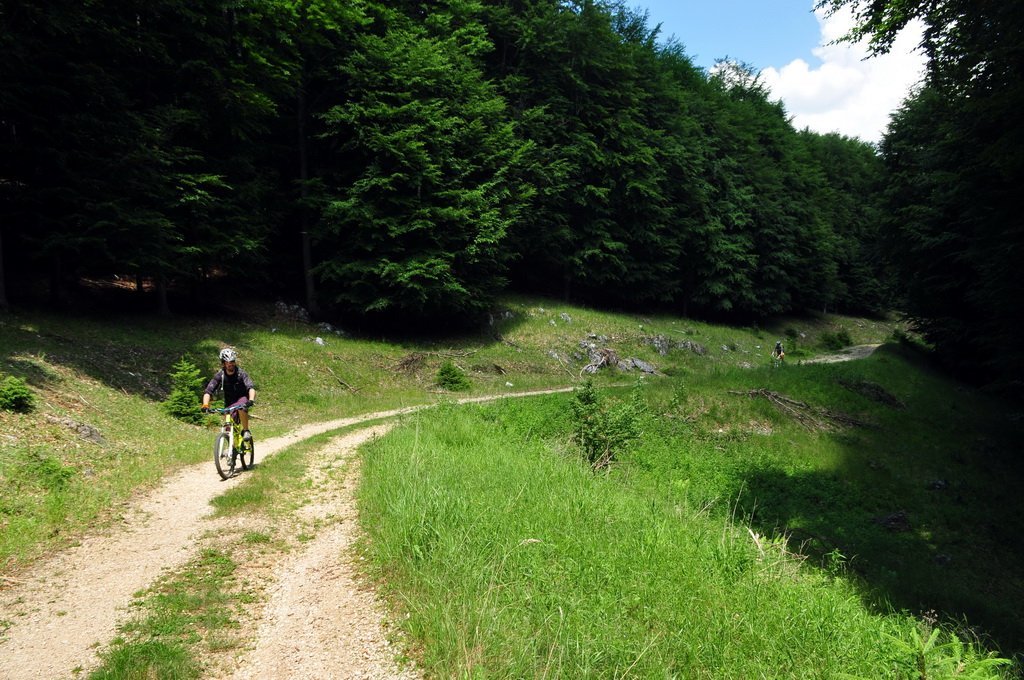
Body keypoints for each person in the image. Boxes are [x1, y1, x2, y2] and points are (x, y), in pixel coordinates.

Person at [201, 347, 257, 440]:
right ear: (223, 363)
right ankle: (232, 449)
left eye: (232, 362)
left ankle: (246, 430)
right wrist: (205, 405)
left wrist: (251, 400)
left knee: (242, 407)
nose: (230, 364)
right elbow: (208, 391)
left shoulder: (241, 373)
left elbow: (250, 387)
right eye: (227, 363)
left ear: (234, 362)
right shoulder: (220, 375)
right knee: (228, 429)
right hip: (229, 402)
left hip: (242, 398)